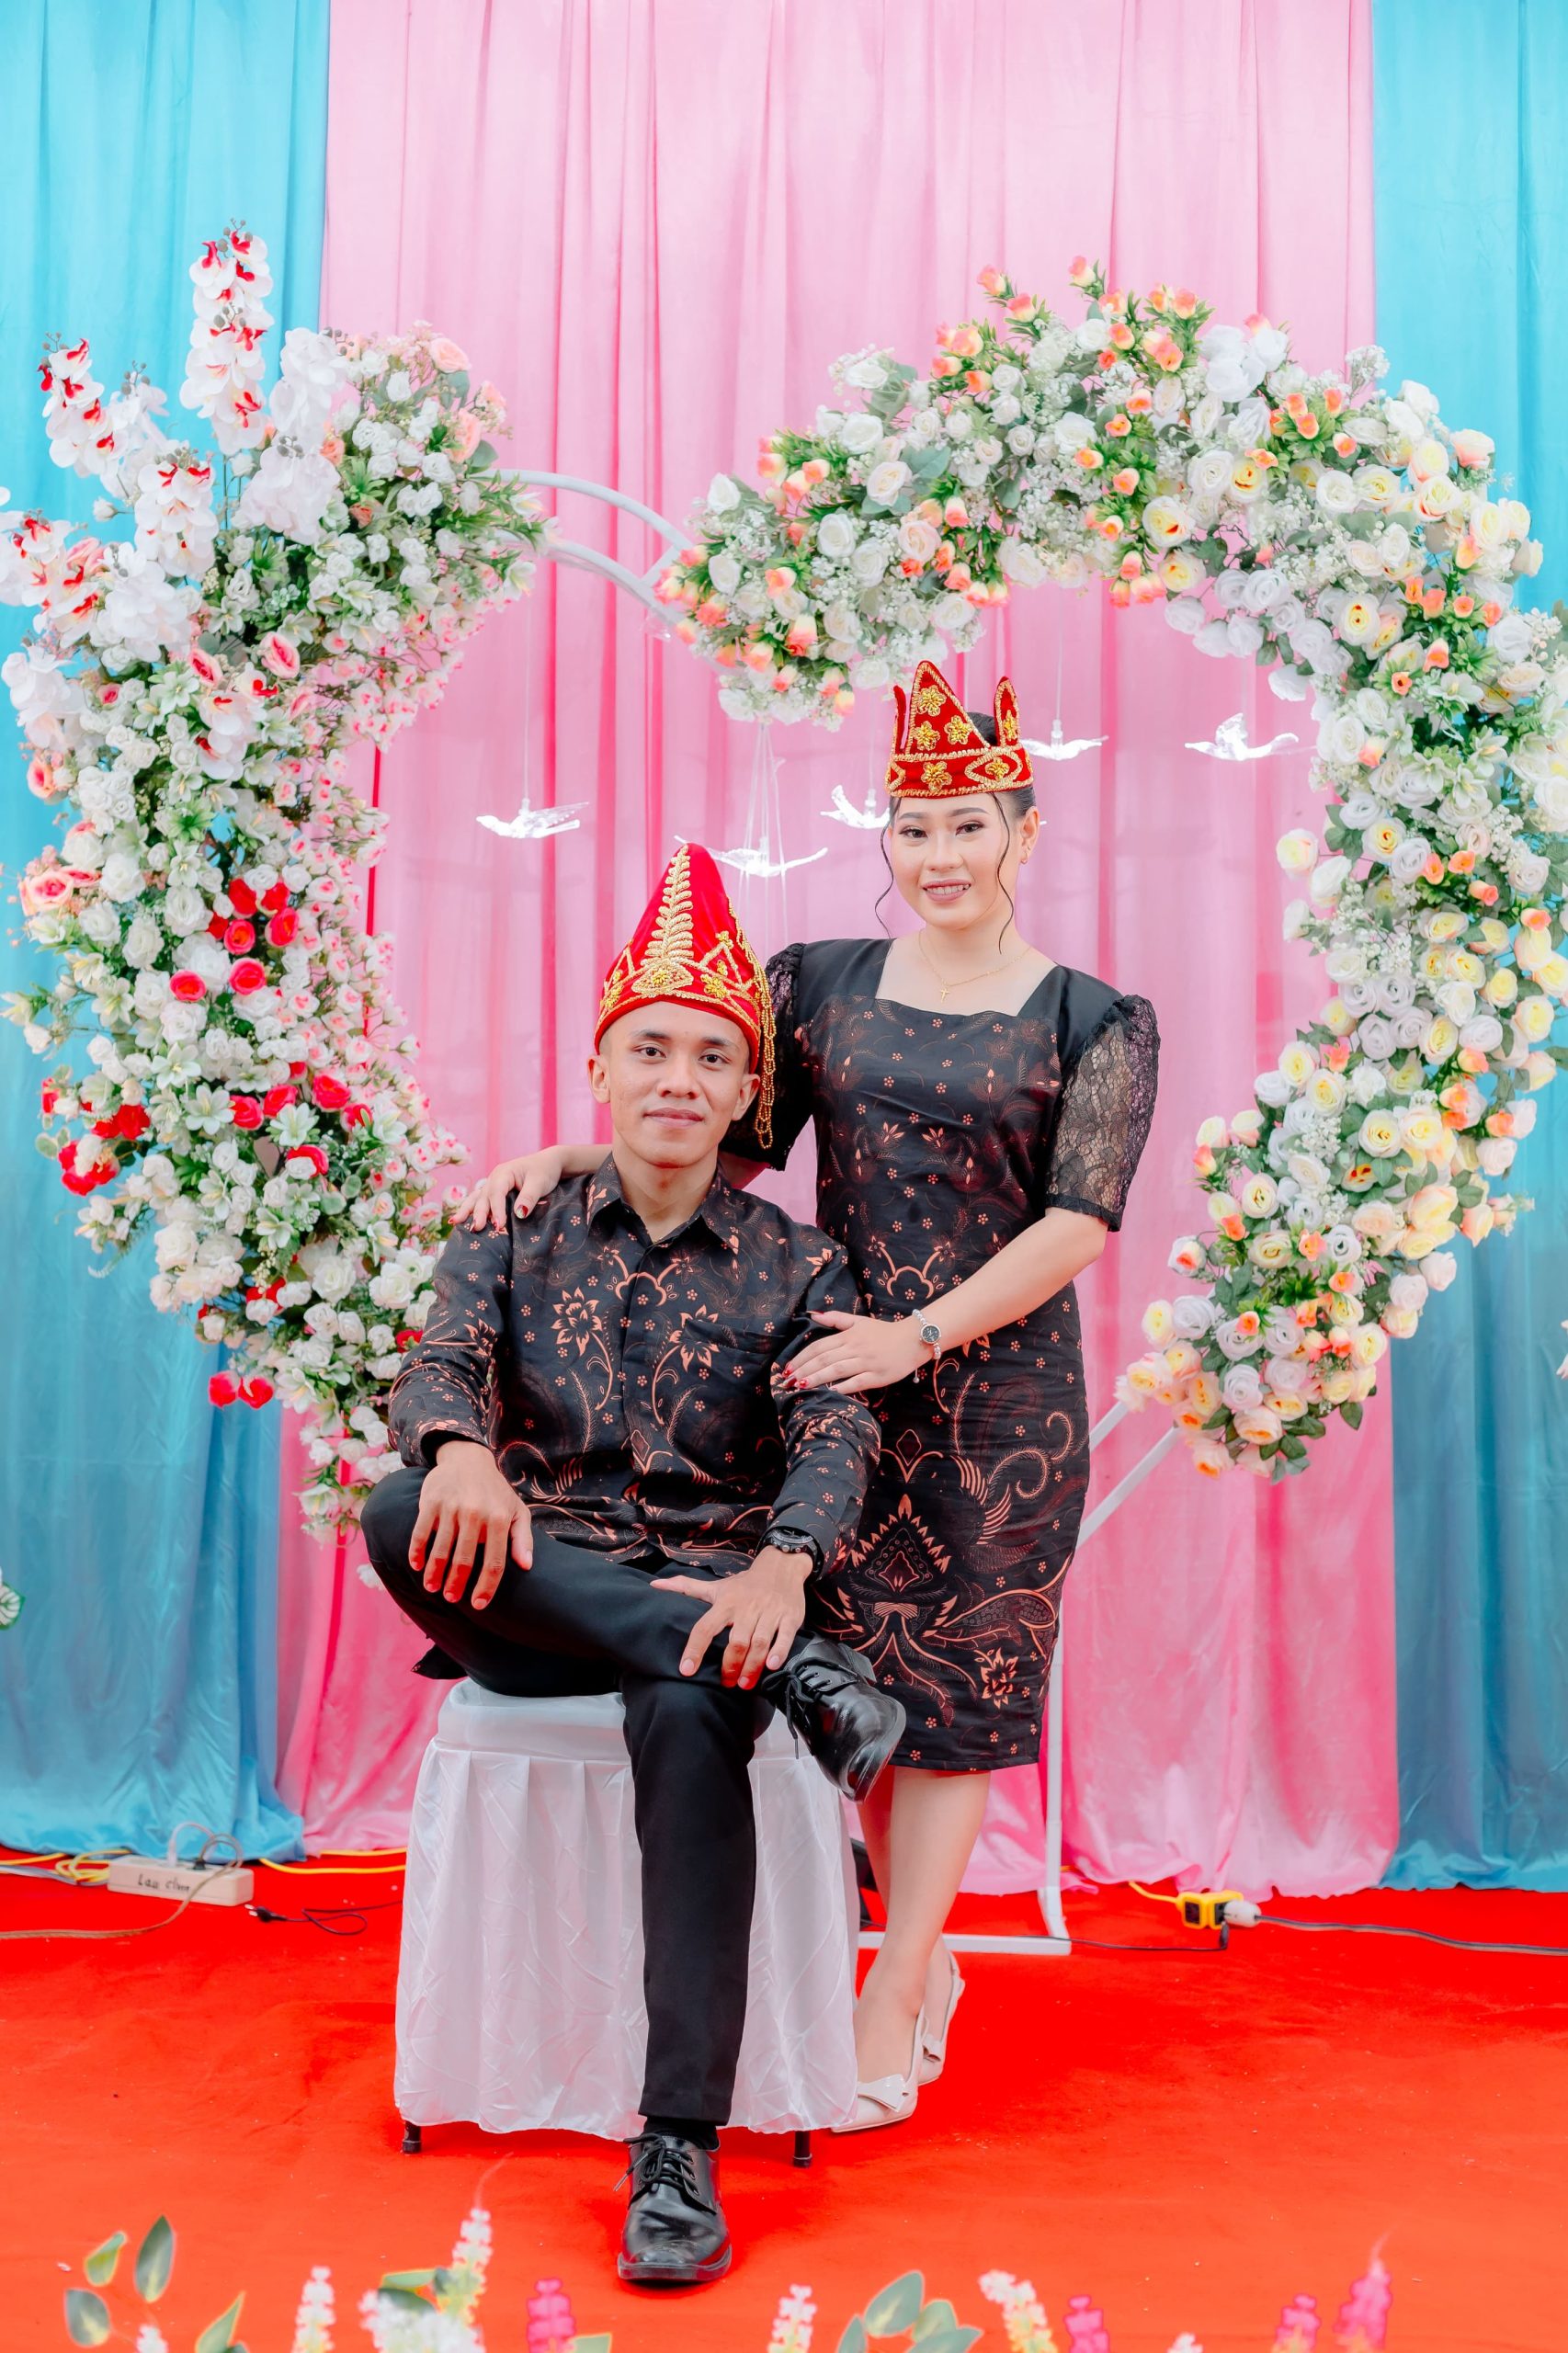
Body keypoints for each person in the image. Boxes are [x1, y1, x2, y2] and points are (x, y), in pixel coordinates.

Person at [456, 661, 1160, 2132]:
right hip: (817, 1375)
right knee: (849, 1675)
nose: (940, 854)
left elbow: (1077, 1225)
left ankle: (897, 1984)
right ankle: (886, 1949)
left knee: (956, 1699)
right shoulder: (817, 982)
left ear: (1023, 832)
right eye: (914, 828)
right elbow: (718, 1133)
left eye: (968, 825)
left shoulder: (1094, 1018)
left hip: (997, 1404)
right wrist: (574, 1159)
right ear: (885, 839)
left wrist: (918, 1340)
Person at [362, 843, 903, 2287]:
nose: (678, 1077)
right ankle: (798, 1677)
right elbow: (438, 1362)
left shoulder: (800, 1264)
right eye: (649, 1049)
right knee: (394, 1509)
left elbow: (836, 1436)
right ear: (599, 1069)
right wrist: (456, 1451)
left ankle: (675, 2147)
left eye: (710, 1057)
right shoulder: (512, 1225)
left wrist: (783, 1572)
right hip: (531, 1595)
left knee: (690, 1691)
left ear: (742, 1093)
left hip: (721, 1604)